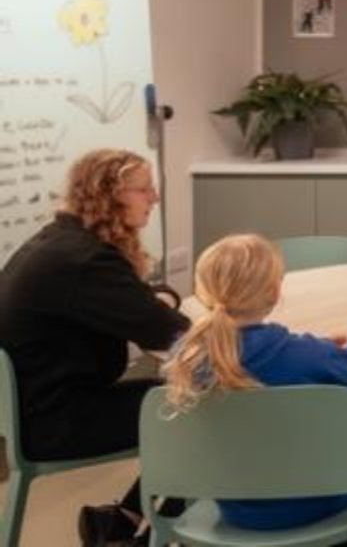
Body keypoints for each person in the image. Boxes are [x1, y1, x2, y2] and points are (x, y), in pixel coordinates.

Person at [0, 149, 189, 547]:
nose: (154, 198)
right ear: (109, 196)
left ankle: (121, 523)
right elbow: (171, 333)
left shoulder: (61, 242)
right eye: (144, 189)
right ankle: (141, 536)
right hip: (57, 422)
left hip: (39, 408)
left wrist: (152, 305)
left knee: (181, 395)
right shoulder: (84, 260)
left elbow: (142, 309)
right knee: (207, 406)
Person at [161, 233, 347, 532]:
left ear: (203, 291)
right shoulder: (305, 354)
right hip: (320, 499)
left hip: (235, 506)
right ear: (275, 291)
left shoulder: (185, 358)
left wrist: (316, 347)